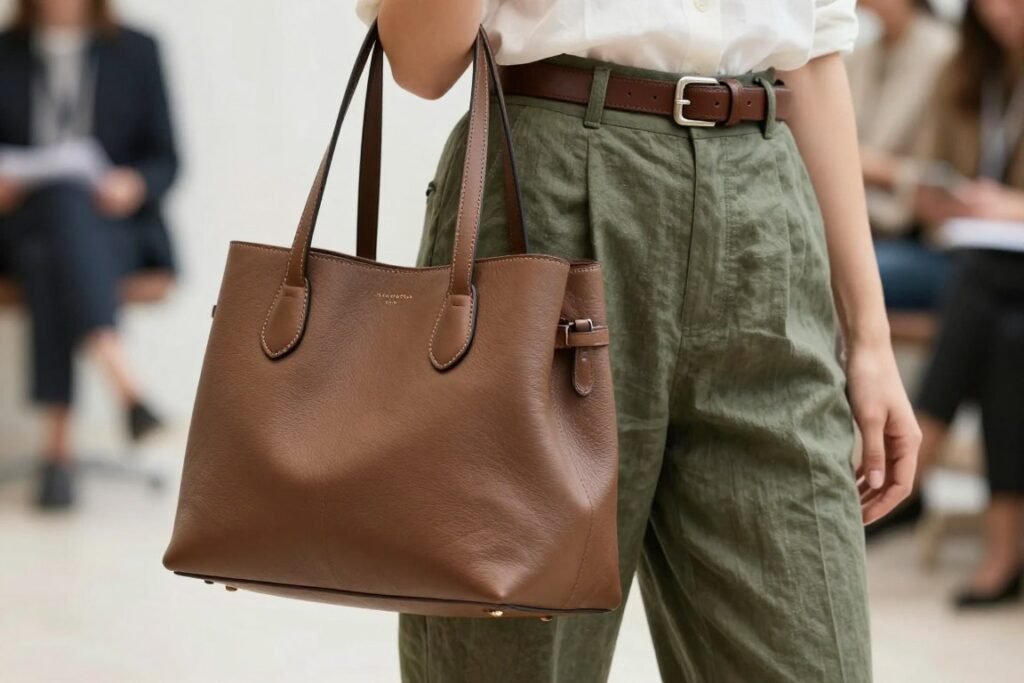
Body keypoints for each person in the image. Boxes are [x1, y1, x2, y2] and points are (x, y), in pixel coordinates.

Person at [358, 1, 921, 681]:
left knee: (809, 650)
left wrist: (870, 337)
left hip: (765, 207)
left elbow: (817, 52)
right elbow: (421, 62)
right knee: (511, 659)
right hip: (546, 202)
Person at [0, 0, 179, 509]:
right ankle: (123, 381)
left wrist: (134, 184)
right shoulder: (4, 54)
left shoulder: (138, 51)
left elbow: (167, 158)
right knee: (54, 213)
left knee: (52, 247)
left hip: (113, 230)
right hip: (16, 224)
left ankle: (57, 450)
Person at [909, 0, 1024, 608]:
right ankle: (1005, 551)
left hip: (996, 260)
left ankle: (913, 461)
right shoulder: (969, 68)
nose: (1000, 12)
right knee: (1008, 336)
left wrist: (1013, 207)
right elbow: (930, 171)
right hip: (983, 262)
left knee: (980, 287)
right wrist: (941, 199)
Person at [848, 0, 957, 311]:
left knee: (840, 276)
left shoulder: (943, 52)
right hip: (860, 222)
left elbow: (939, 174)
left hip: (912, 233)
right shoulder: (865, 51)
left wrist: (865, 166)